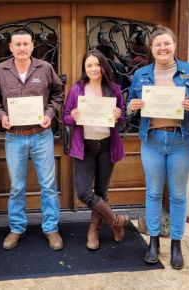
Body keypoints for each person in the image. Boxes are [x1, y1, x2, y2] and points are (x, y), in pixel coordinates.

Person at [128, 25, 189, 270]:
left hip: (181, 140)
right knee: (152, 192)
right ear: (151, 49)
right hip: (151, 140)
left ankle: (176, 243)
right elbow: (129, 102)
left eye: (166, 43)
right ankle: (153, 241)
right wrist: (133, 104)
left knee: (178, 194)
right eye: (157, 45)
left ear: (174, 45)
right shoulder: (141, 74)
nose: (162, 48)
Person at [0, 28, 65, 251]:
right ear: (10, 47)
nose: (22, 48)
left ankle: (51, 228)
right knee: (17, 187)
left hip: (41, 135)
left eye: (25, 44)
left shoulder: (46, 68)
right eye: (17, 44)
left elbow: (59, 94)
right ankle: (17, 228)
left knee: (48, 185)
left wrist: (50, 115)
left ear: (32, 46)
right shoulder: (0, 70)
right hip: (14, 137)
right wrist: (1, 116)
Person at [63, 50, 127, 250]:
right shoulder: (77, 90)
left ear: (103, 66)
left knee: (101, 191)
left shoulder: (114, 89)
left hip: (107, 146)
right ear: (85, 68)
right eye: (89, 65)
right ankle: (116, 220)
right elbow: (65, 118)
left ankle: (93, 232)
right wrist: (73, 117)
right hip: (85, 146)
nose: (93, 69)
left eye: (97, 64)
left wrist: (119, 116)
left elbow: (123, 121)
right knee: (83, 192)